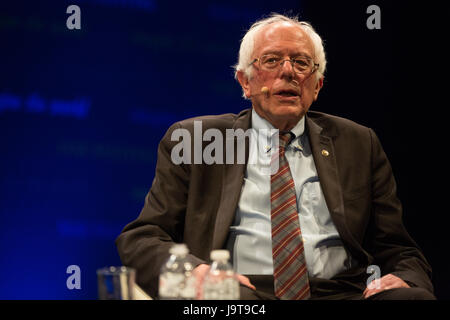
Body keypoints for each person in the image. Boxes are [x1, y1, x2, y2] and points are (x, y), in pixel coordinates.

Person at [116, 13, 435, 300]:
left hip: (341, 293)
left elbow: (399, 248)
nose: (288, 72)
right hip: (239, 291)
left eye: (301, 63)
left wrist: (404, 278)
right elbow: (142, 238)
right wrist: (194, 273)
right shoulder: (198, 140)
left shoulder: (358, 143)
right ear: (245, 82)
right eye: (271, 61)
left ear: (317, 85)